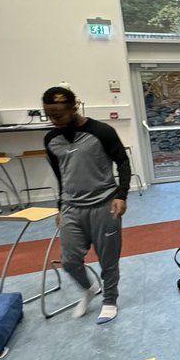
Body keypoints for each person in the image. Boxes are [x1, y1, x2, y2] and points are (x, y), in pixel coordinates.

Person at [42, 85, 131, 324]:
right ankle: (89, 289)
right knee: (69, 261)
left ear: (74, 108)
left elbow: (123, 163)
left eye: (58, 115)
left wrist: (121, 195)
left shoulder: (101, 131)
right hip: (72, 207)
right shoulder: (51, 139)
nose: (53, 120)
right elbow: (62, 176)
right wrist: (61, 206)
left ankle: (110, 299)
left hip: (104, 205)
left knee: (108, 259)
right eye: (48, 115)